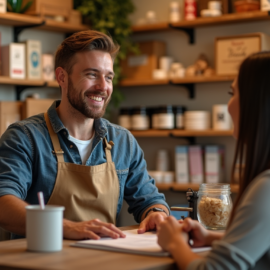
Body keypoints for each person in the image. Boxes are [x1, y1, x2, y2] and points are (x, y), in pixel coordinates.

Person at [0, 30, 169, 240]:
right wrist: (65, 227)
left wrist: (157, 213)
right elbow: (4, 204)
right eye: (91, 74)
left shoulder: (123, 142)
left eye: (108, 77)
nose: (103, 86)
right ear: (62, 77)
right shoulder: (25, 137)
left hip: (102, 260)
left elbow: (149, 200)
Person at [157, 51, 270, 270]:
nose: (228, 106)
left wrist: (175, 243)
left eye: (233, 93)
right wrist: (212, 238)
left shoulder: (266, 188)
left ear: (257, 103)